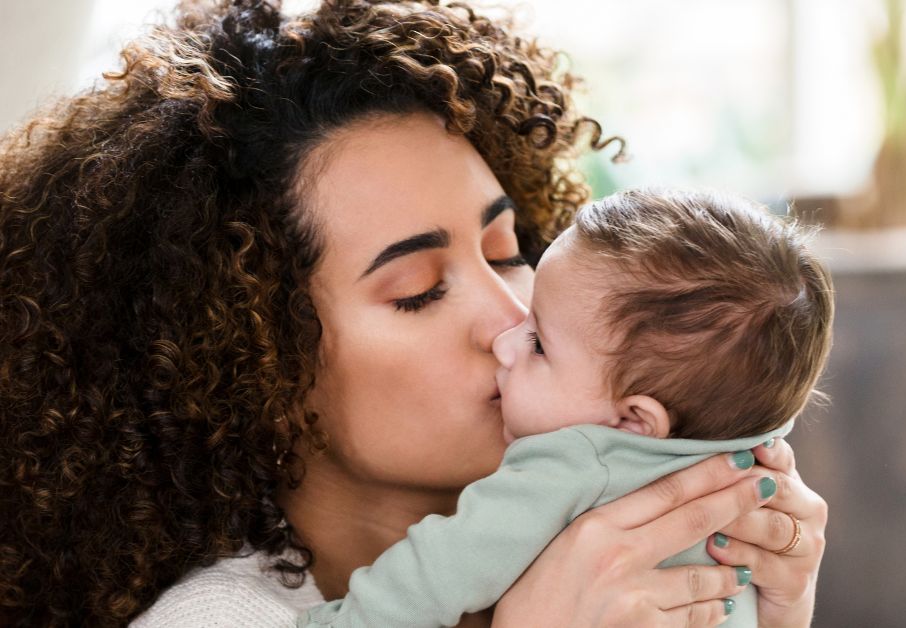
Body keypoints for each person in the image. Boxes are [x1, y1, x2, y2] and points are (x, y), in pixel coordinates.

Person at [0, 1, 828, 627]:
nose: (511, 318)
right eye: (418, 291)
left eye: (508, 249)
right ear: (253, 358)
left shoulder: (627, 544)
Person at [297, 187, 834, 628]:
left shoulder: (572, 463)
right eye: (420, 289)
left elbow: (438, 569)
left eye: (507, 253)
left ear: (634, 419)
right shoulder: (752, 456)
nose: (508, 332)